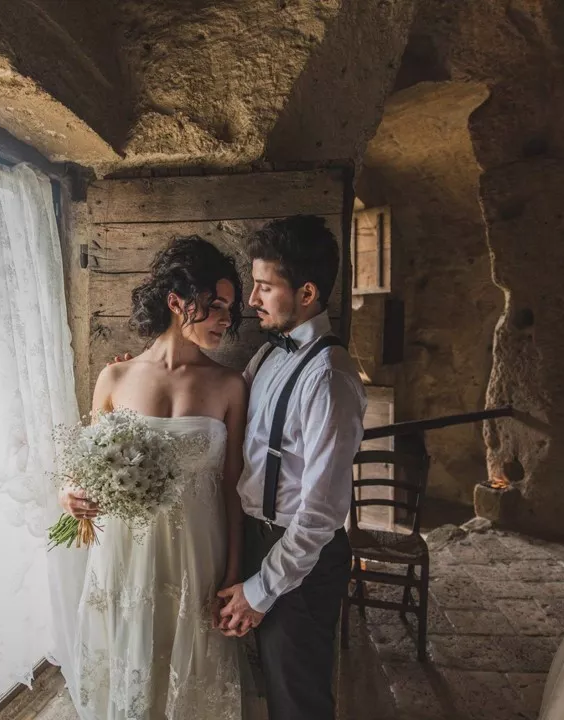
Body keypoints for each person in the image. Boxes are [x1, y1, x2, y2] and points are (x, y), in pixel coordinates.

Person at [59, 236, 248, 719]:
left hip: (196, 556)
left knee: (188, 667)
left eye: (230, 309)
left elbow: (233, 487)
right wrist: (71, 495)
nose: (226, 319)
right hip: (124, 553)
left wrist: (234, 572)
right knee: (129, 662)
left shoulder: (230, 385)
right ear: (177, 302)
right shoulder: (115, 378)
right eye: (216, 306)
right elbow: (86, 467)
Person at [216, 215, 366, 720]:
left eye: (264, 286)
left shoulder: (329, 378)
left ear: (306, 293)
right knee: (266, 690)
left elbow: (321, 513)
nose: (251, 299)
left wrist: (261, 590)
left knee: (297, 701)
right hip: (257, 540)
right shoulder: (266, 355)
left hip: (302, 557)